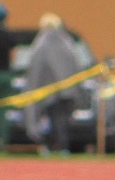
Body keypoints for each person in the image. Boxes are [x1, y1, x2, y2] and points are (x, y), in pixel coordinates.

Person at [22, 13, 85, 154]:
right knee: (62, 120)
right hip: (67, 91)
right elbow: (76, 66)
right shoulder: (67, 43)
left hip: (49, 91)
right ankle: (61, 146)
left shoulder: (41, 44)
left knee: (52, 119)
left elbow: (35, 69)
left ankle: (53, 146)